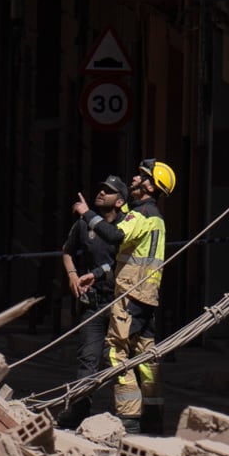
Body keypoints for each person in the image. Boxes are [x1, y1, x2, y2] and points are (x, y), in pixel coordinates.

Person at [107, 160, 173, 423]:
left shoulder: (142, 215)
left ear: (150, 185)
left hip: (130, 293)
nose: (134, 178)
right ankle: (154, 416)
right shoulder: (155, 218)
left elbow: (115, 235)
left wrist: (89, 216)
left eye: (141, 176)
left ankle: (129, 418)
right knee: (146, 356)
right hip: (147, 296)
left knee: (117, 351)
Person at [63, 175, 125, 393]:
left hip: (120, 303)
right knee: (88, 359)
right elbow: (67, 251)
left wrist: (96, 274)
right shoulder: (84, 224)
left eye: (108, 191)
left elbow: (120, 264)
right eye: (101, 189)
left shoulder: (125, 226)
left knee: (118, 363)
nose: (101, 193)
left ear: (119, 202)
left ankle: (127, 417)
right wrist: (72, 275)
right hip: (94, 304)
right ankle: (78, 410)